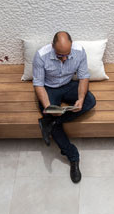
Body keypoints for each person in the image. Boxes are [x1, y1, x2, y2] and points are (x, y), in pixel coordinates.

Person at [32, 31, 97, 183]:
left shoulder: (79, 52)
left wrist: (80, 98)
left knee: (90, 101)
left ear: (72, 45)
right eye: (60, 55)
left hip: (68, 85)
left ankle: (50, 122)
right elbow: (38, 84)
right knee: (49, 114)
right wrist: (48, 107)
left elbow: (83, 77)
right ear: (53, 46)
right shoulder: (41, 55)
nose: (65, 58)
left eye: (67, 54)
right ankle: (73, 157)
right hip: (49, 88)